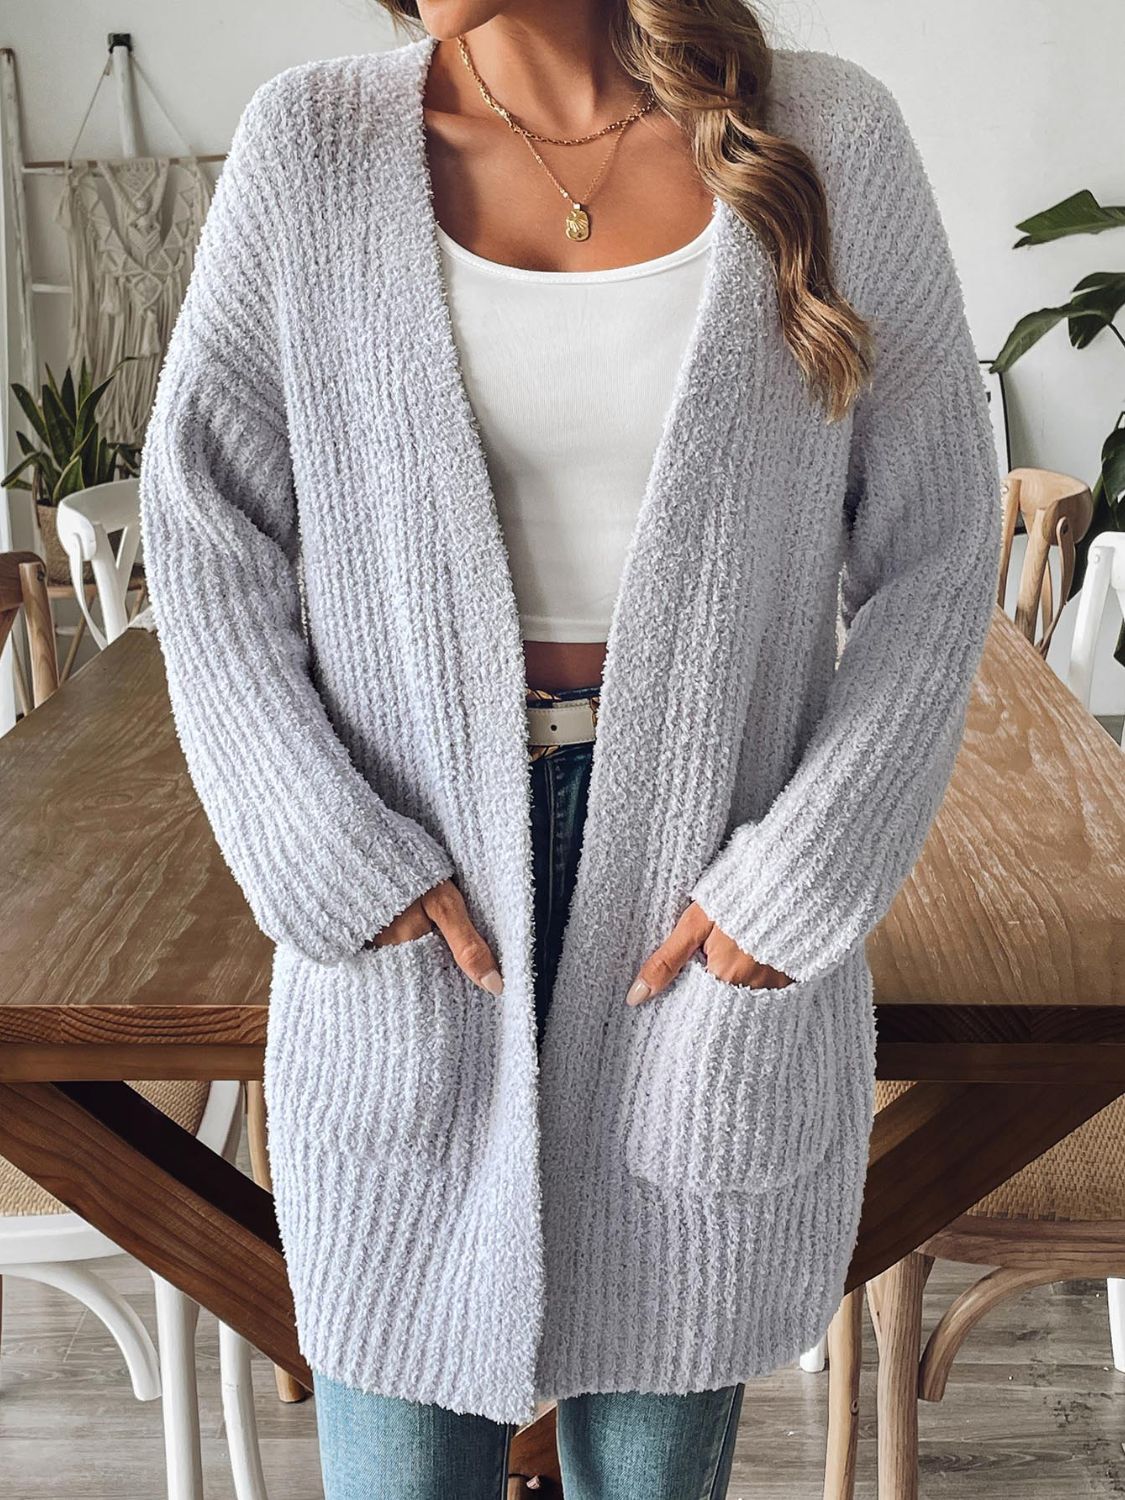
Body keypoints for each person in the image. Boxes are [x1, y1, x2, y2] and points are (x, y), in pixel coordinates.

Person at [139, 2, 1001, 1495]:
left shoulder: (825, 135)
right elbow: (205, 528)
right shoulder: (314, 145)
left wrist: (801, 877)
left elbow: (936, 546)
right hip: (418, 892)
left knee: (654, 1468)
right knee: (399, 1459)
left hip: (700, 892)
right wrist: (331, 852)